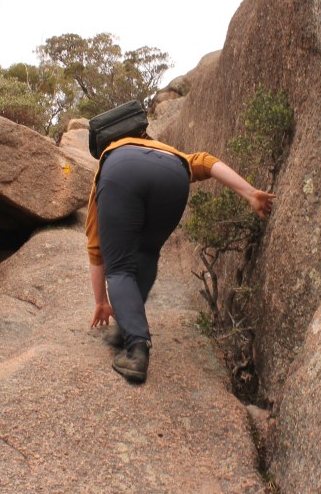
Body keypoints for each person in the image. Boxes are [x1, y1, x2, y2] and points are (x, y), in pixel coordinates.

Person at [85, 128, 275, 383]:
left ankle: (136, 351)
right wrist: (249, 193)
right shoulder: (166, 149)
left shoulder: (110, 157)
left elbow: (96, 248)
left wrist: (101, 302)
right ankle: (128, 326)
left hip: (122, 173)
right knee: (147, 254)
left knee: (120, 268)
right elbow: (207, 162)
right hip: (173, 175)